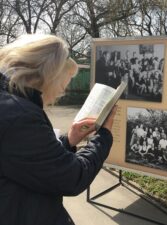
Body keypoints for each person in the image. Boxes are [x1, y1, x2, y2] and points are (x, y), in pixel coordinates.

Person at [0, 34, 117, 225]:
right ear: (47, 76)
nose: (60, 94)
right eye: (62, 86)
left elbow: (28, 160)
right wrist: (104, 137)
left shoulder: (10, 105)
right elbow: (72, 177)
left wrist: (69, 140)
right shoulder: (20, 116)